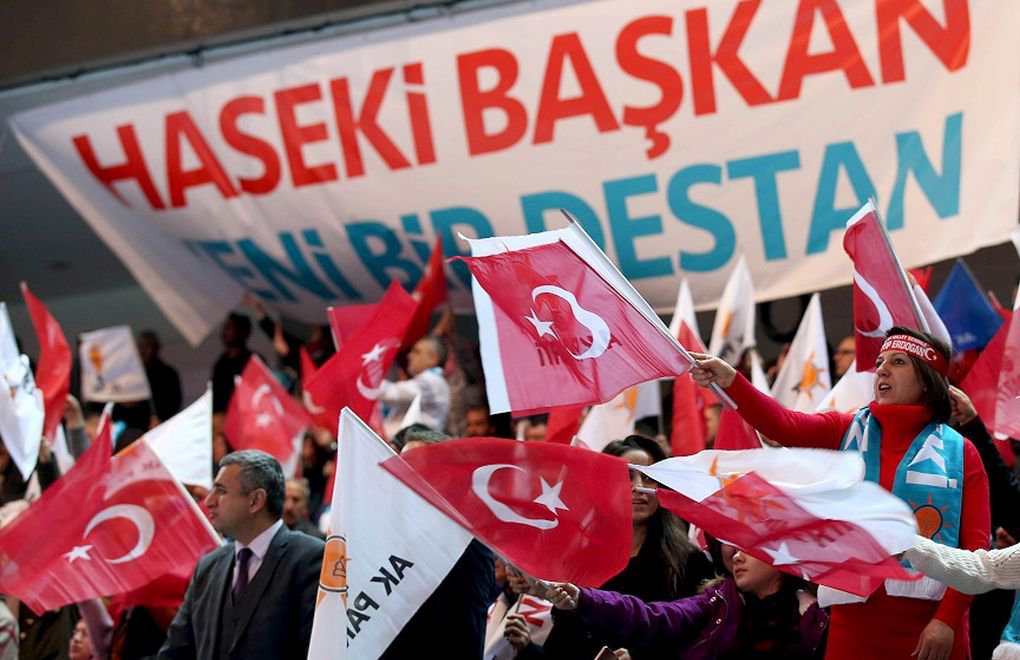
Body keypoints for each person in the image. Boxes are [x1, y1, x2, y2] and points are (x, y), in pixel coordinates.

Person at [691, 326, 991, 660]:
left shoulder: (961, 452)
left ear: (927, 381)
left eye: (898, 361)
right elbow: (781, 424)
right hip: (854, 627)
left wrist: (947, 621)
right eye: (880, 361)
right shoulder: (845, 430)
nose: (882, 369)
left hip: (932, 631)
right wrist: (732, 380)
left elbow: (976, 547)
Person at [514, 435, 713, 659]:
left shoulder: (689, 562)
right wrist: (526, 649)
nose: (638, 487)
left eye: (648, 478)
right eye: (626, 476)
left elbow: (697, 640)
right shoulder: (580, 560)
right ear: (604, 486)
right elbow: (563, 646)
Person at [159, 450, 324, 659]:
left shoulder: (311, 559)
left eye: (220, 490)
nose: (209, 501)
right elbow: (176, 652)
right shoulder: (208, 567)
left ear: (255, 500)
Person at [542, 546, 827, 659]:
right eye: (735, 549)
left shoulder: (822, 616)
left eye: (750, 548)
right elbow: (654, 617)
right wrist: (585, 598)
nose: (736, 557)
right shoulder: (719, 601)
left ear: (783, 553)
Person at [378, 337, 450, 433]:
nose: (409, 356)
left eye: (417, 352)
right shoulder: (431, 382)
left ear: (433, 359)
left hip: (413, 446)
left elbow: (391, 394)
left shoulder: (433, 382)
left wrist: (366, 378)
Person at [211, 313, 255, 413]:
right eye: (224, 328)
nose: (224, 333)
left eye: (229, 328)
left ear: (242, 332)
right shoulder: (221, 362)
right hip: (221, 417)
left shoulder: (252, 361)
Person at [137, 330, 183, 422]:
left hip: (161, 425)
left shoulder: (168, 373)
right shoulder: (134, 376)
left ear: (156, 348)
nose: (146, 351)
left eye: (149, 346)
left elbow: (174, 403)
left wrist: (161, 419)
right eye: (142, 347)